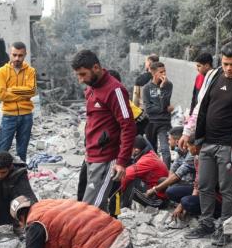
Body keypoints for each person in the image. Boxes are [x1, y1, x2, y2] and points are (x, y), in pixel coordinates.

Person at [180, 39, 232, 246]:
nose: (228, 68)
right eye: (225, 63)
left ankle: (226, 227)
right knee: (205, 185)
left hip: (231, 146)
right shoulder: (213, 75)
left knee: (227, 190)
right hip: (207, 142)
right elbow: (199, 108)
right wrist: (187, 132)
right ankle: (207, 223)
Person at [71, 49, 136, 213]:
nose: (80, 80)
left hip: (107, 159)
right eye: (78, 75)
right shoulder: (91, 88)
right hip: (91, 156)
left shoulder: (115, 90)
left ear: (96, 67)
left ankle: (92, 238)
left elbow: (128, 126)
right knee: (93, 205)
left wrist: (121, 162)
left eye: (83, 74)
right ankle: (107, 236)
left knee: (90, 210)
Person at [0, 41, 37, 162]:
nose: (17, 58)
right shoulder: (1, 72)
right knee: (2, 151)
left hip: (26, 116)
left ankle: (19, 177)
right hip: (9, 115)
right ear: (10, 54)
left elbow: (32, 91)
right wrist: (23, 94)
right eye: (14, 55)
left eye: (20, 55)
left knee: (22, 151)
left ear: (25, 55)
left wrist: (12, 90)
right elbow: (2, 95)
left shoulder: (31, 71)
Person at [169, 139, 222, 220]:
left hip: (214, 196)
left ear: (195, 147)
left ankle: (214, 213)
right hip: (200, 190)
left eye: (188, 146)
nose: (187, 149)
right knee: (171, 191)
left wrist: (182, 205)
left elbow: (201, 184)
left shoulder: (209, 160)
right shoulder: (196, 158)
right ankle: (192, 206)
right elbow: (196, 184)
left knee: (186, 202)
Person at [144, 126, 195, 199]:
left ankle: (182, 203)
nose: (168, 142)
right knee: (162, 180)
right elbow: (173, 169)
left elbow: (177, 175)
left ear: (177, 141)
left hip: (192, 184)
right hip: (184, 181)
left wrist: (155, 189)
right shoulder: (180, 151)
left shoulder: (191, 154)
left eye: (169, 140)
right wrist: (169, 183)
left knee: (170, 191)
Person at [120, 135, 169, 209]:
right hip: (153, 190)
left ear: (136, 150)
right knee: (130, 178)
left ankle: (122, 209)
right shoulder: (149, 153)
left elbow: (126, 175)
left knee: (130, 183)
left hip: (158, 200)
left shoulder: (147, 160)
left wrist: (118, 192)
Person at [142, 61, 173, 169]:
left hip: (164, 122)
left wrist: (163, 88)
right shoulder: (146, 88)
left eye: (165, 71)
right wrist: (163, 108)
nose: (164, 74)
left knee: (165, 150)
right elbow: (148, 109)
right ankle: (154, 172)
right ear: (154, 73)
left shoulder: (168, 85)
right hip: (150, 122)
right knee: (152, 151)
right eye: (161, 72)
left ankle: (166, 175)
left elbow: (165, 103)